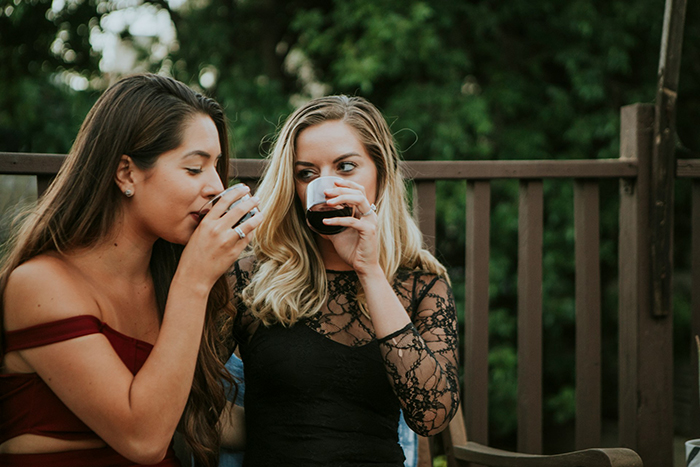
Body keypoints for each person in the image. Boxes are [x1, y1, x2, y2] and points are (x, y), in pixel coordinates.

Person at [0, 73, 261, 467]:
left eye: (217, 168)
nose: (215, 186)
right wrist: (194, 281)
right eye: (194, 169)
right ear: (126, 173)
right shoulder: (40, 284)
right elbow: (144, 439)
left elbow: (202, 416)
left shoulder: (165, 274)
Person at [226, 95, 460, 466]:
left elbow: (432, 415)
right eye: (307, 173)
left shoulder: (422, 285)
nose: (326, 185)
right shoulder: (253, 277)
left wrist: (370, 271)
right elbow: (186, 395)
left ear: (381, 173)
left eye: (346, 167)